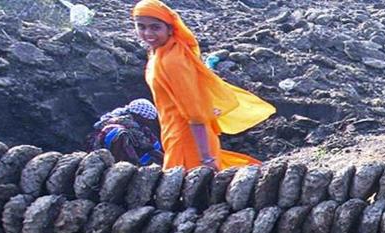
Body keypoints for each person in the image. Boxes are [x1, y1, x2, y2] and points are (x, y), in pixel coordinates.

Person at [131, 0, 274, 171]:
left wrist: (206, 157)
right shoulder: (158, 53)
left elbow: (195, 114)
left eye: (155, 27)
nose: (148, 33)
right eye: (141, 26)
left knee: (192, 190)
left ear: (170, 29)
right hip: (174, 134)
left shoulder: (173, 61)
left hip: (189, 141)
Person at [87, 99, 164, 166]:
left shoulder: (142, 127)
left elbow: (150, 146)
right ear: (138, 115)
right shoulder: (115, 126)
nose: (149, 122)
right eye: (147, 119)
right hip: (108, 157)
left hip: (137, 157)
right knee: (119, 134)